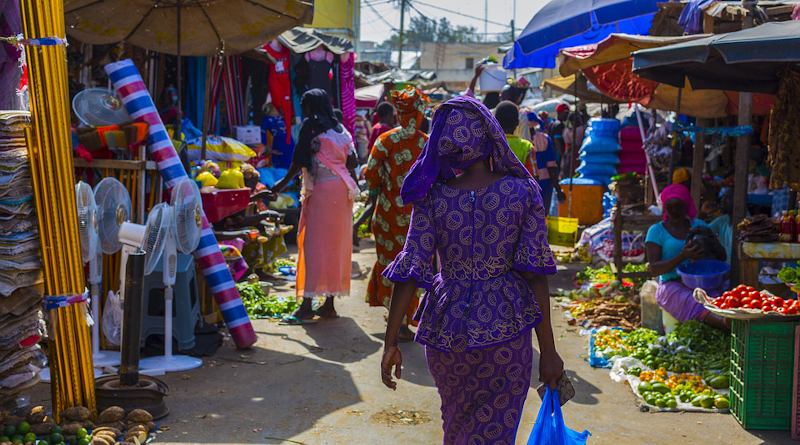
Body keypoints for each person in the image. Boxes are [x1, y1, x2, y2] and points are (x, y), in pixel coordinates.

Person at [380, 95, 564, 444]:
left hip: (447, 328)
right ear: (489, 134)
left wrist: (390, 342)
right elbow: (535, 274)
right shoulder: (523, 191)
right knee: (496, 429)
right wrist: (549, 352)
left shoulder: (432, 197)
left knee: (458, 424)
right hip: (506, 326)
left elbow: (411, 271)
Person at [271, 89, 359, 320]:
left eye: (305, 105)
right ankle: (329, 304)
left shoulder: (311, 129)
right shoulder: (342, 131)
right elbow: (353, 161)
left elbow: (298, 162)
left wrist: (278, 186)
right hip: (342, 194)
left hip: (321, 192)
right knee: (335, 247)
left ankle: (307, 306)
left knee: (313, 247)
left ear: (310, 106)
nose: (304, 110)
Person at [365, 86, 431, 342]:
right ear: (419, 112)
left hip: (387, 217)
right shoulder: (427, 143)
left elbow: (370, 178)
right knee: (414, 268)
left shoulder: (385, 141)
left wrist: (383, 183)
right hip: (420, 221)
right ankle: (404, 321)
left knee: (390, 265)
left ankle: (397, 319)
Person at [646, 184, 728, 329]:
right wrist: (683, 256)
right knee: (697, 304)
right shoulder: (656, 231)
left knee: (721, 301)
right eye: (670, 207)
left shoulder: (698, 225)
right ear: (665, 208)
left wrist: (710, 238)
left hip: (703, 284)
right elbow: (654, 269)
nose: (675, 211)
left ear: (686, 206)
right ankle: (727, 326)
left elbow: (721, 257)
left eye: (679, 206)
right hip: (672, 286)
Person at [708, 188, 734, 264]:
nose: (722, 200)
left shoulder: (747, 225)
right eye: (722, 197)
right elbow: (704, 230)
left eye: (727, 197)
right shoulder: (724, 220)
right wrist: (703, 213)